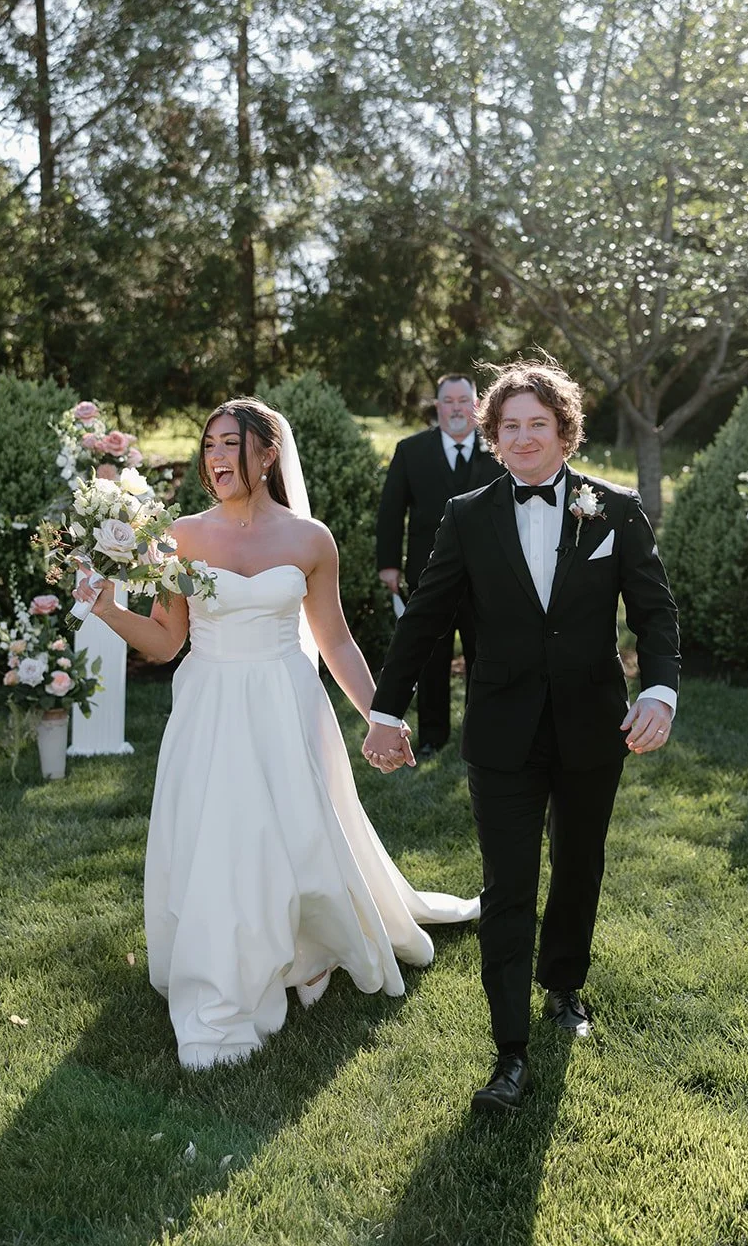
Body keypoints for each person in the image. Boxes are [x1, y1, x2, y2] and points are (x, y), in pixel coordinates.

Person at [76, 398, 478, 1070]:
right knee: (224, 840)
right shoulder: (180, 535)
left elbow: (337, 642)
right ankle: (228, 973)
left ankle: (308, 950)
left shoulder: (309, 539)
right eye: (208, 444)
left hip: (287, 702)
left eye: (229, 443)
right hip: (209, 704)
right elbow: (166, 641)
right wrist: (108, 609)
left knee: (291, 834)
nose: (214, 457)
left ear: (267, 454)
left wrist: (380, 715)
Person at [363, 361, 679, 1115]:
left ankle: (564, 986)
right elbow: (429, 618)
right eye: (510, 426)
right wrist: (385, 711)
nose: (524, 437)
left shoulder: (615, 509)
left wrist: (659, 692)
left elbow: (655, 613)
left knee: (578, 864)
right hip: (501, 729)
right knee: (507, 886)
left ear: (564, 431)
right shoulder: (468, 514)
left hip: (591, 724)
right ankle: (508, 1053)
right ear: (490, 436)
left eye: (539, 423)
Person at [375, 373, 504, 758]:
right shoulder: (411, 450)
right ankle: (432, 736)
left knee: (488, 655)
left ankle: (484, 731)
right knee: (430, 657)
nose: (456, 408)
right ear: (438, 407)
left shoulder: (499, 451)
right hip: (428, 574)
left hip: (489, 577)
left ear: (477, 406)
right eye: (448, 401)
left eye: (464, 400)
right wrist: (388, 565)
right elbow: (391, 512)